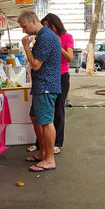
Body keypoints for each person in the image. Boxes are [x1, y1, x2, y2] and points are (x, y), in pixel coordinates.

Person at [19, 9, 62, 173]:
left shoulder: (45, 37)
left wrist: (26, 47)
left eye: (24, 26)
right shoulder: (44, 36)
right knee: (36, 118)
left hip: (46, 85)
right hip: (43, 85)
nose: (24, 30)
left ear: (32, 21)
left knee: (45, 122)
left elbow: (35, 64)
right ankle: (44, 153)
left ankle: (49, 159)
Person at [26, 14, 73, 156]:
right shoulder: (44, 37)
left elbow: (70, 58)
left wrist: (58, 46)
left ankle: (56, 144)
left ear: (56, 24)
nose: (46, 28)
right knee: (39, 115)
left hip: (60, 75)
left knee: (56, 111)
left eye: (48, 25)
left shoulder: (65, 37)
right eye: (44, 25)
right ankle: (41, 145)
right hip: (46, 78)